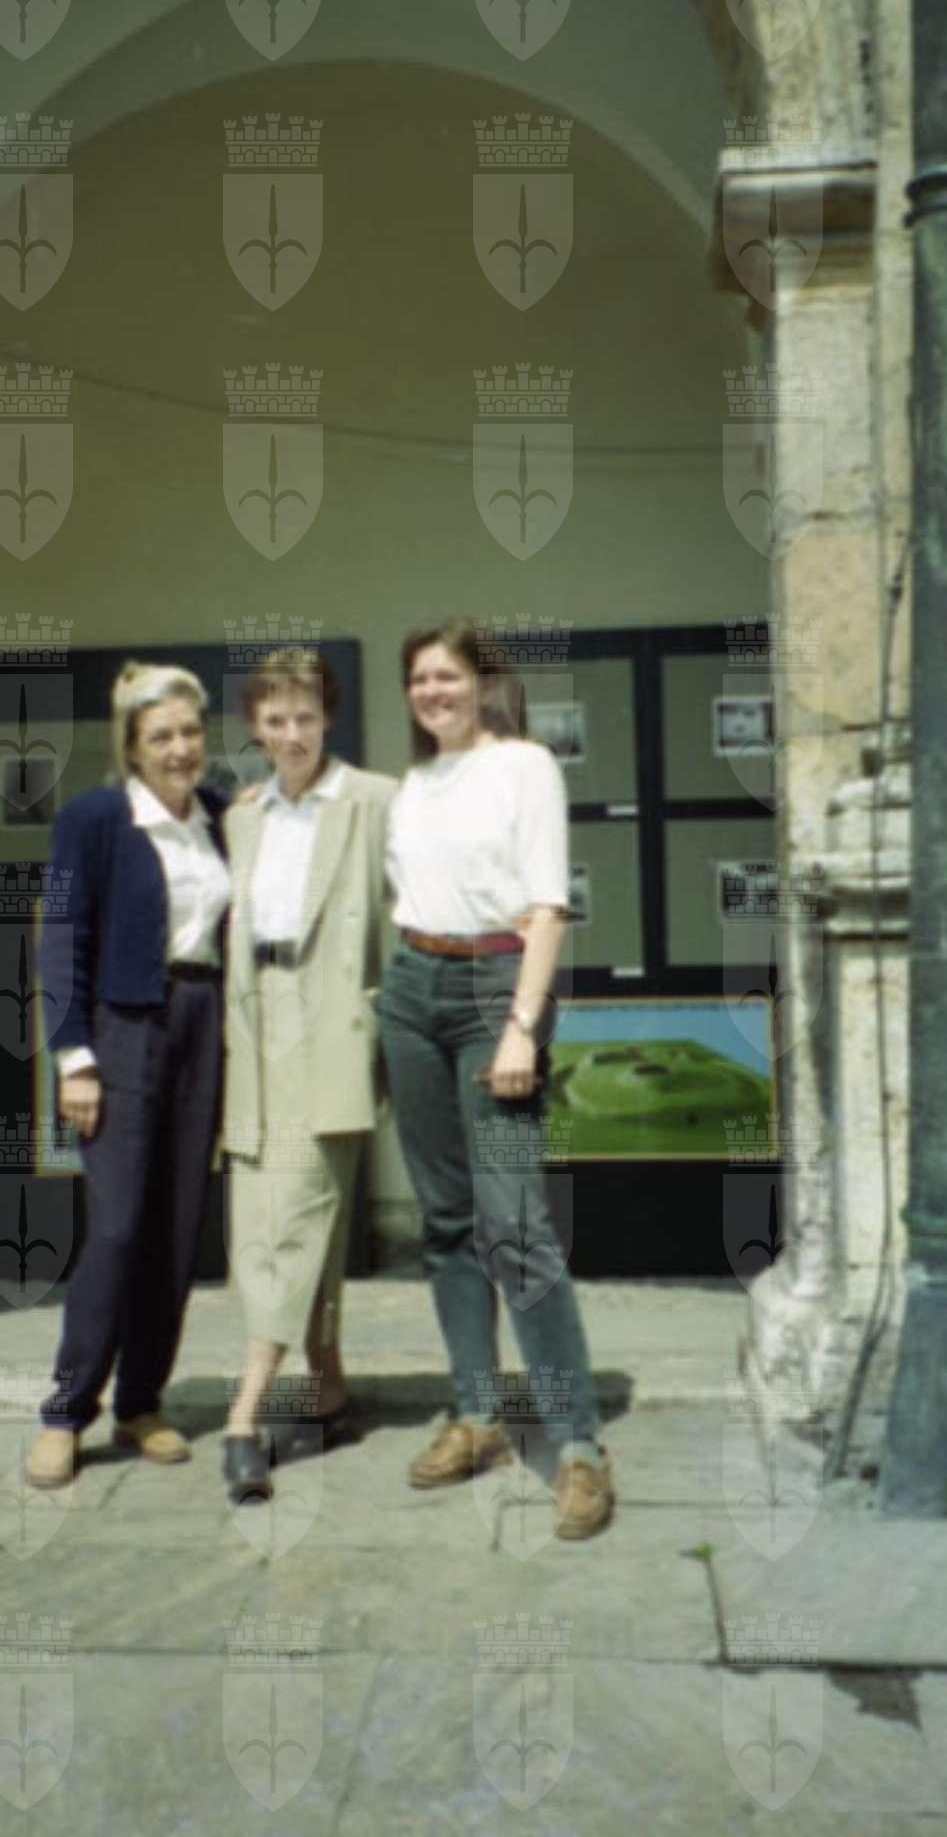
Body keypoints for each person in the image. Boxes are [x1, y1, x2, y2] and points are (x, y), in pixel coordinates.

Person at [376, 617, 614, 1539]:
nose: (431, 692)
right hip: (411, 988)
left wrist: (520, 1028)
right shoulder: (412, 784)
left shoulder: (523, 765)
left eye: (446, 676)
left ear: (481, 682)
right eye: (418, 679)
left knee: (513, 1226)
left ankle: (578, 1444)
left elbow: (547, 909)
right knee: (444, 1222)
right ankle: (476, 1413)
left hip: (493, 991)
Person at [25, 662, 231, 1488]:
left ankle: (142, 1402)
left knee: (177, 1227)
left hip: (202, 1023)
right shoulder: (95, 818)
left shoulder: (220, 817)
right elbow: (61, 937)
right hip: (123, 1028)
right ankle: (66, 1412)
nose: (180, 749)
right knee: (115, 1228)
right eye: (161, 736)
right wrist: (72, 1056)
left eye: (190, 732)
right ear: (132, 747)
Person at [219, 648, 396, 1504]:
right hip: (257, 1019)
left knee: (293, 1211)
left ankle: (244, 1414)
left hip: (332, 1023)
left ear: (328, 718)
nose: (292, 734)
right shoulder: (243, 817)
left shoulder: (375, 801)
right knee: (275, 1208)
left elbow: (406, 915)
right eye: (275, 720)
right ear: (255, 729)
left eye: (305, 717)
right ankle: (325, 1382)